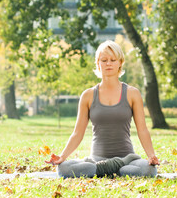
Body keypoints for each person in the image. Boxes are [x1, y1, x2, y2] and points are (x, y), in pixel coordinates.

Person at [51, 40, 159, 178]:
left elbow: (142, 129)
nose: (108, 63)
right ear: (98, 63)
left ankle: (105, 170)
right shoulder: (88, 95)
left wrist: (151, 156)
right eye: (104, 60)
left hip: (127, 160)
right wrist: (62, 156)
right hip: (96, 160)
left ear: (120, 62)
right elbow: (78, 133)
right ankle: (113, 171)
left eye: (113, 60)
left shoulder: (132, 93)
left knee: (149, 170)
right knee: (63, 169)